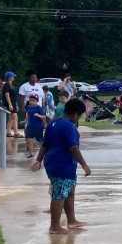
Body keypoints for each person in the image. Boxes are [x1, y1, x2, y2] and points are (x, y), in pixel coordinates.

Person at [30, 97, 92, 234]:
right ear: (75, 114)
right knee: (59, 194)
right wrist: (85, 166)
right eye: (79, 116)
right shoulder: (69, 127)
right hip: (62, 164)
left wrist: (39, 159)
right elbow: (73, 148)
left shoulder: (54, 122)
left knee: (69, 192)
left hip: (54, 162)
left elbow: (45, 144)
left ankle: (72, 220)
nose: (79, 118)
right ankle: (54, 226)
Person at [23, 93, 48, 159]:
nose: (31, 102)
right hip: (30, 126)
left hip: (38, 127)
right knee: (29, 140)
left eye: (33, 100)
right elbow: (28, 114)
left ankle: (44, 153)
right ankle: (31, 153)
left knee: (40, 141)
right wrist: (25, 121)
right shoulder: (28, 107)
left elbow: (44, 117)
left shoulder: (39, 108)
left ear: (37, 101)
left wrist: (39, 116)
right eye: (30, 100)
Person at [1, 71, 19, 138]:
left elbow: (13, 96)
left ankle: (8, 132)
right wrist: (10, 104)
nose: (13, 77)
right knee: (15, 118)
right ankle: (16, 133)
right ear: (9, 77)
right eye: (12, 76)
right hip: (10, 103)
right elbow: (7, 95)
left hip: (13, 103)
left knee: (11, 118)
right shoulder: (6, 85)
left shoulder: (11, 85)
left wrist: (16, 104)